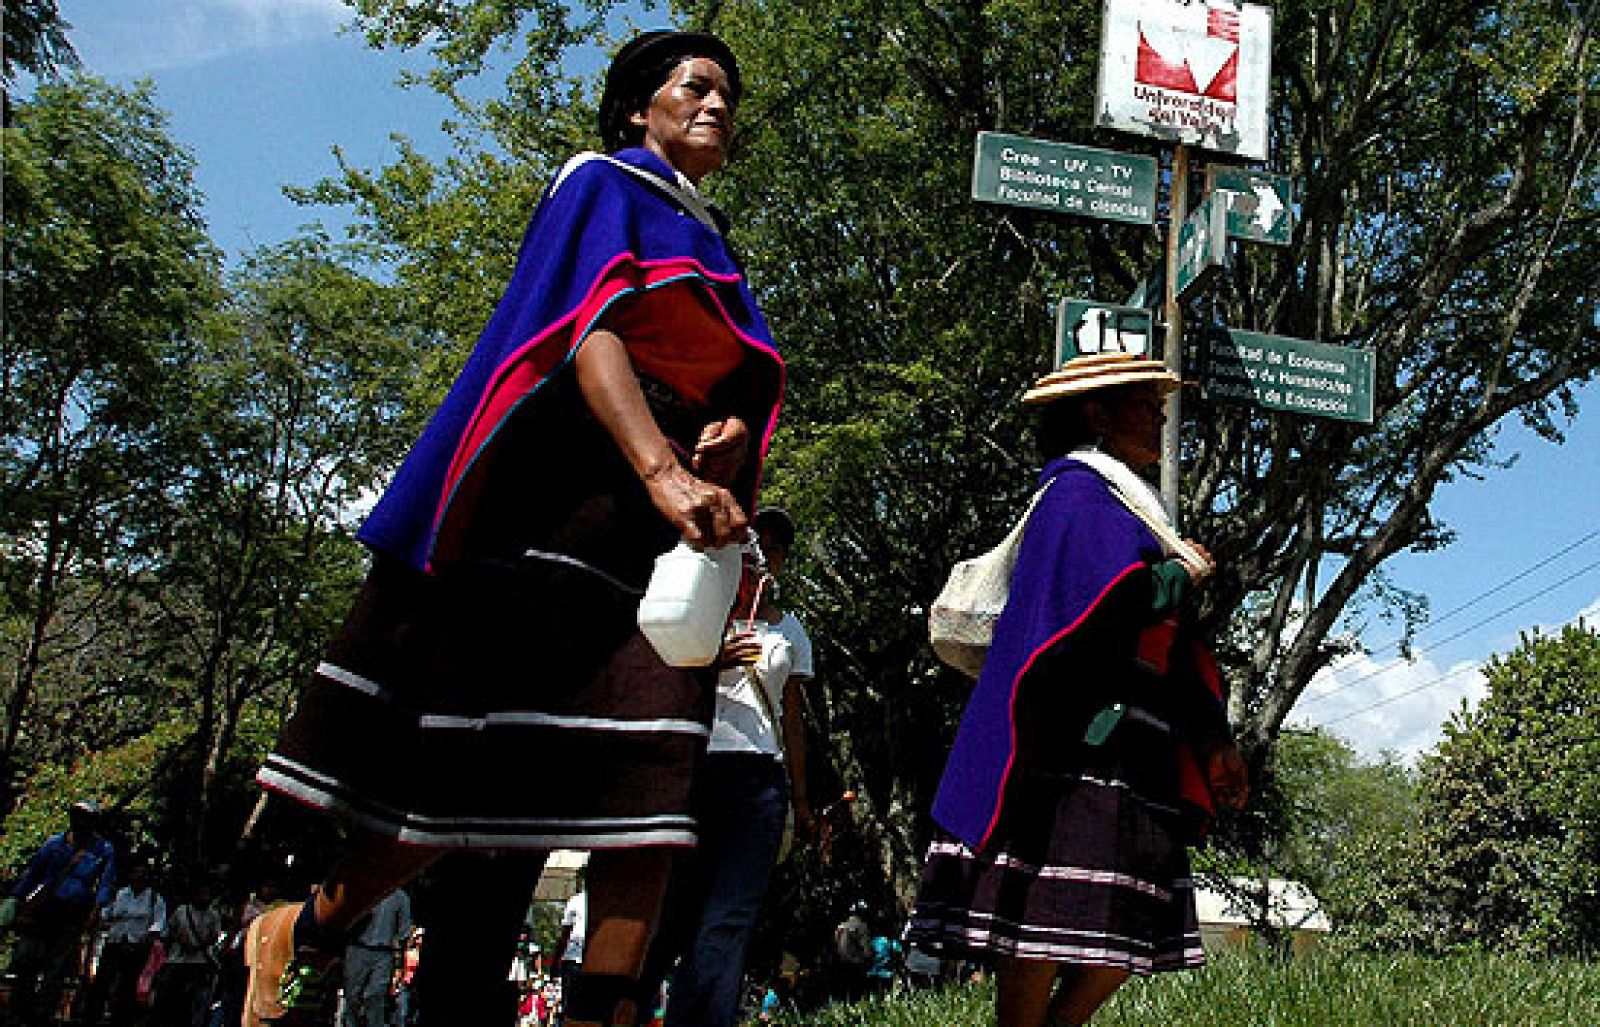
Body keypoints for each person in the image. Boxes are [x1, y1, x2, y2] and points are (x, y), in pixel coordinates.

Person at [241, 27, 782, 1027]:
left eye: (726, 97)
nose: (716, 106)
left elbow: (738, 364)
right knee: (463, 784)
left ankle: (600, 1013)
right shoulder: (599, 183)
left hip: (654, 548)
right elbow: (587, 327)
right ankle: (300, 927)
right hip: (558, 511)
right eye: (695, 87)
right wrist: (659, 466)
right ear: (637, 109)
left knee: (653, 787)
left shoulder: (716, 244)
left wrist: (729, 422)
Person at [907, 351, 1249, 1027]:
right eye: (1145, 405)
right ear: (1096, 413)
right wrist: (1181, 573)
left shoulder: (1130, 508)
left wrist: (1213, 739)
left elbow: (1167, 644)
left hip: (1137, 745)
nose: (1160, 417)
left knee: (1130, 915)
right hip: (1072, 745)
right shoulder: (1074, 495)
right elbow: (1106, 599)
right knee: (1039, 913)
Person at [634, 506, 814, 1027]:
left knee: (728, 920)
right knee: (668, 915)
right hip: (691, 769)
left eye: (778, 548)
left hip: (760, 779)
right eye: (759, 543)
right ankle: (627, 1009)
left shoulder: (791, 631)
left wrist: (801, 800)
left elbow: (793, 719)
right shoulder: (692, 609)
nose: (766, 556)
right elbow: (653, 677)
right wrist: (714, 657)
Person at [8, 799, 118, 1023]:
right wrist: (16, 899)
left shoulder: (103, 849)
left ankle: (42, 1013)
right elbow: (33, 873)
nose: (80, 821)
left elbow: (106, 883)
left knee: (56, 968)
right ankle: (20, 1008)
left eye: (86, 817)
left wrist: (96, 910)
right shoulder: (54, 844)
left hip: (72, 914)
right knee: (25, 959)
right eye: (77, 815)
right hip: (43, 910)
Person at [85, 859, 167, 1024]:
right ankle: (92, 1016)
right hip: (115, 942)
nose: (139, 877)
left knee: (128, 985)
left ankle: (121, 1018)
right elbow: (105, 914)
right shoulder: (120, 894)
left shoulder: (155, 900)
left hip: (136, 947)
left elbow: (158, 926)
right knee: (103, 981)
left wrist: (143, 943)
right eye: (136, 873)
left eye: (143, 874)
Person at [152, 878, 224, 1027]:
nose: (204, 897)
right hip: (178, 960)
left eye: (207, 894)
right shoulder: (181, 911)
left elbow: (214, 937)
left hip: (200, 962)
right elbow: (168, 933)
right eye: (201, 894)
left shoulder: (213, 915)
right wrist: (179, 940)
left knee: (195, 1001)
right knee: (171, 999)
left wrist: (199, 945)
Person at [342, 886, 412, 1026]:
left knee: (376, 996)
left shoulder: (400, 897)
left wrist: (398, 961)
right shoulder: (363, 892)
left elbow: (404, 930)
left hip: (384, 953)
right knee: (352, 995)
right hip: (358, 948)